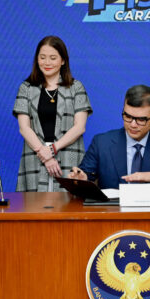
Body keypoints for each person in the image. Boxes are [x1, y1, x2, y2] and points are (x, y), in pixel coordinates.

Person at [68, 85, 150, 189]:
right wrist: (82, 178)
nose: (133, 124)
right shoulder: (102, 142)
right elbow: (85, 174)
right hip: (113, 213)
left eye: (141, 119)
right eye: (128, 116)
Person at [13, 36, 92, 192]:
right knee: (34, 207)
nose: (47, 63)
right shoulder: (26, 87)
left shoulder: (76, 87)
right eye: (42, 58)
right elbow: (24, 128)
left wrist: (52, 150)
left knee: (69, 204)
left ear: (63, 60)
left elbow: (80, 127)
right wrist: (43, 153)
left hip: (68, 152)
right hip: (35, 154)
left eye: (53, 58)